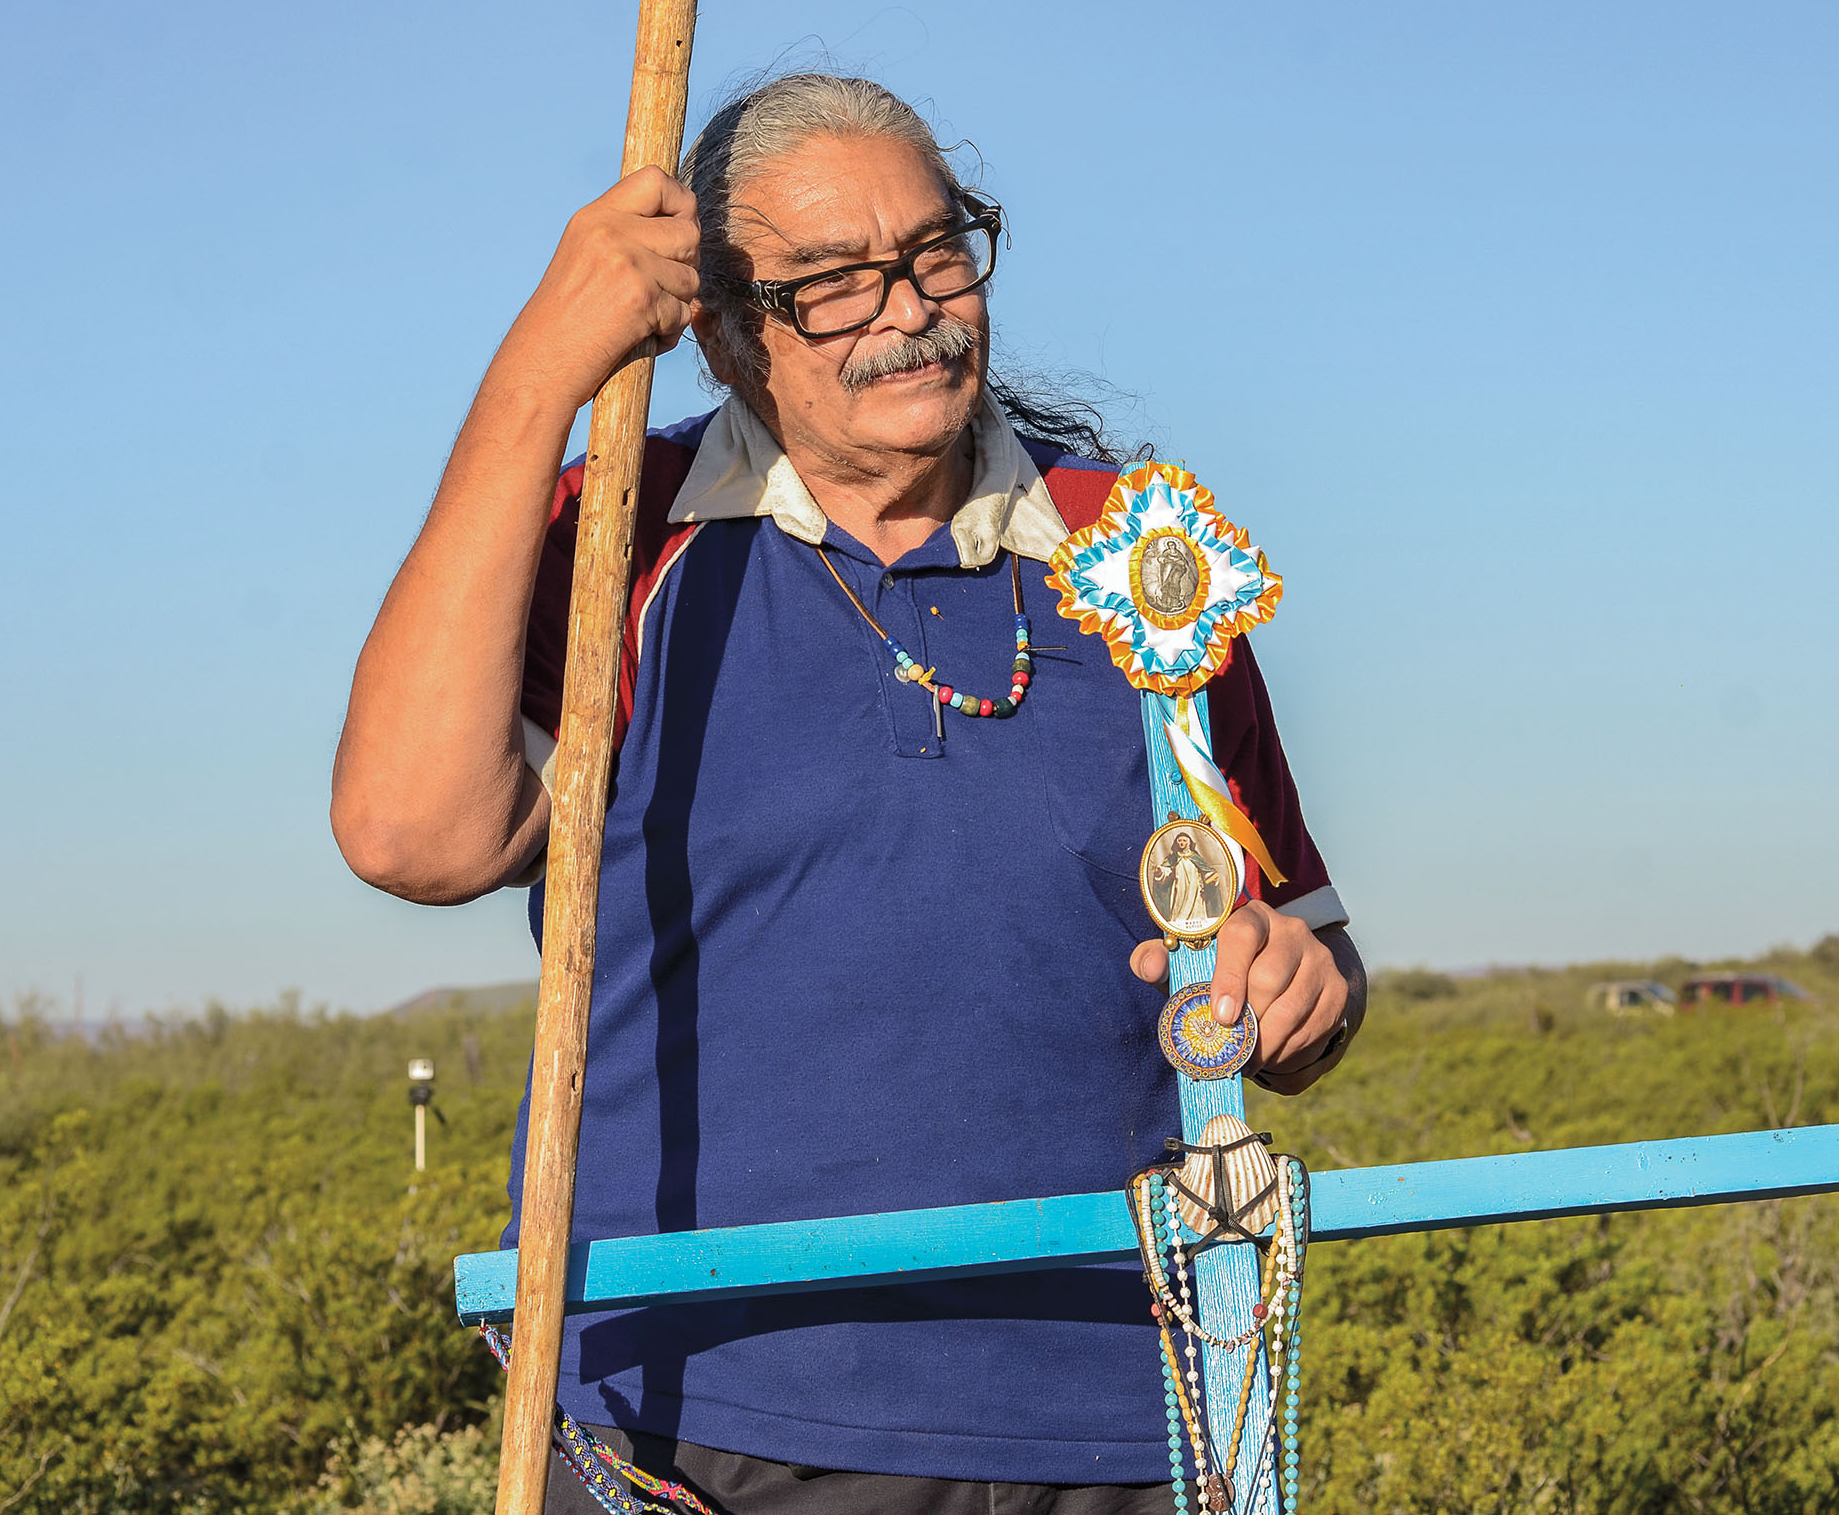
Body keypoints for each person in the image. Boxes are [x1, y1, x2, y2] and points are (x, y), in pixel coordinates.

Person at [332, 73, 1367, 1514]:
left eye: (937, 251)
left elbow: (1309, 953)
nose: (908, 310)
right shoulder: (628, 542)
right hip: (707, 1425)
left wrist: (1296, 982)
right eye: (830, 284)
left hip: (1128, 1424)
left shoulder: (1137, 552)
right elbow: (414, 834)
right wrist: (539, 372)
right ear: (721, 331)